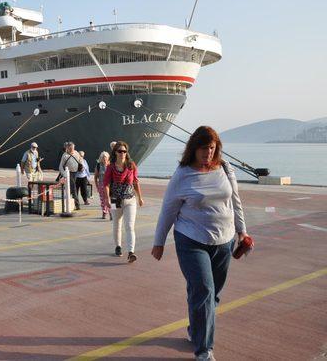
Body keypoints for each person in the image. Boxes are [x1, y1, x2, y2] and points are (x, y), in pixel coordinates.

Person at [151, 126, 249, 361]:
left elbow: (235, 201)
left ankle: (196, 330)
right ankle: (204, 351)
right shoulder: (183, 174)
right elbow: (168, 210)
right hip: (191, 240)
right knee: (204, 290)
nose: (208, 153)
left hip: (224, 241)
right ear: (194, 148)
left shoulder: (225, 168)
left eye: (212, 148)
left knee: (212, 294)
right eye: (204, 148)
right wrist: (159, 242)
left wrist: (242, 232)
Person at [104, 141, 144, 262]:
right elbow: (105, 184)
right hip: (116, 199)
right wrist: (107, 199)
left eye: (124, 151)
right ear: (115, 152)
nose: (122, 153)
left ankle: (131, 252)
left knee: (130, 226)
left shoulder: (131, 165)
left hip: (130, 199)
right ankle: (118, 246)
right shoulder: (110, 167)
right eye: (120, 151)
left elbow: (136, 182)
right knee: (117, 224)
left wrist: (140, 197)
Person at [58, 142, 83, 210]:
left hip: (76, 173)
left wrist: (82, 167)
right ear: (67, 148)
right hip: (69, 173)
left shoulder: (76, 153)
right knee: (73, 189)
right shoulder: (65, 155)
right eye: (70, 148)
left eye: (73, 148)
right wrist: (64, 173)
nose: (72, 150)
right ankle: (77, 205)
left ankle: (67, 204)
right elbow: (60, 166)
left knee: (71, 189)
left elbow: (81, 161)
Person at [94, 151, 111, 219]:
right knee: (103, 200)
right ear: (101, 158)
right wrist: (97, 186)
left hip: (110, 186)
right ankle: (104, 212)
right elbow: (95, 177)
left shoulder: (110, 165)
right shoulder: (98, 165)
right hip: (101, 185)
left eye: (105, 158)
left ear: (108, 158)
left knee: (110, 199)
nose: (104, 159)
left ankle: (111, 213)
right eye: (103, 158)